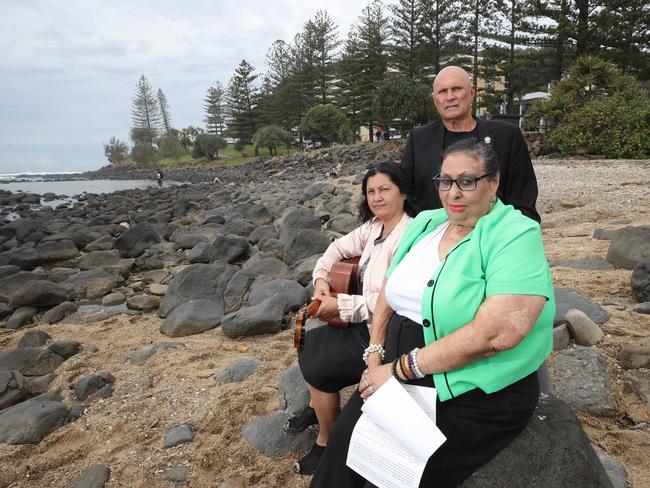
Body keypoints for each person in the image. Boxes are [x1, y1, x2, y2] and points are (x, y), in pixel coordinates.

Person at [310, 138, 555, 488]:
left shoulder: (515, 234)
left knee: (389, 474)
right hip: (399, 372)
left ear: (494, 182)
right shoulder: (426, 223)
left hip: (471, 388)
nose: (453, 193)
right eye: (445, 181)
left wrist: (399, 370)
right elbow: (388, 294)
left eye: (467, 181)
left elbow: (497, 332)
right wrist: (375, 354)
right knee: (341, 455)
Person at [290, 162, 418, 475]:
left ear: (403, 192)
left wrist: (343, 307)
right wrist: (321, 281)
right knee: (308, 344)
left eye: (384, 189)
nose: (377, 197)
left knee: (317, 365)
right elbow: (335, 248)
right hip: (363, 323)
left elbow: (394, 300)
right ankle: (318, 407)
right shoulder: (374, 227)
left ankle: (326, 439)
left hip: (387, 334)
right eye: (371, 191)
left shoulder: (409, 235)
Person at [401, 66, 540, 223]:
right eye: (442, 91)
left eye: (456, 89)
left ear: (472, 91)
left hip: (492, 238)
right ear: (435, 99)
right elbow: (404, 197)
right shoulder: (418, 139)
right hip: (434, 238)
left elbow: (524, 202)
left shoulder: (507, 137)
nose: (450, 97)